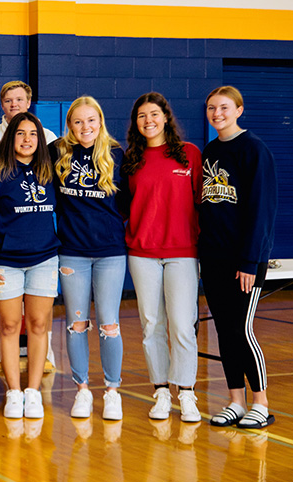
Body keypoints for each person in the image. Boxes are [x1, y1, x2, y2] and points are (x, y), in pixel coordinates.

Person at [122, 92, 203, 423]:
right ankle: (160, 393)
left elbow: (203, 202)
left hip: (183, 253)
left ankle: (186, 393)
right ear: (136, 123)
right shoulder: (131, 160)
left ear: (166, 117)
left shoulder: (189, 155)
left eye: (154, 114)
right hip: (142, 253)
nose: (148, 121)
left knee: (183, 326)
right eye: (141, 116)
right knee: (151, 325)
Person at [200, 86, 278, 428]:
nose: (217, 113)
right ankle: (235, 400)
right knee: (223, 331)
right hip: (213, 258)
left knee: (242, 329)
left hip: (244, 261)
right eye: (212, 108)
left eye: (224, 108)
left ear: (239, 110)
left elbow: (262, 211)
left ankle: (260, 402)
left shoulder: (255, 150)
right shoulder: (211, 150)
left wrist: (249, 261)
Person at [0, 112, 59, 419]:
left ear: (40, 139)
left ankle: (33, 392)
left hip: (45, 260)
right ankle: (13, 392)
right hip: (5, 262)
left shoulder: (51, 173)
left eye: (33, 134)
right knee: (9, 326)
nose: (26, 139)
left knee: (38, 325)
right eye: (20, 133)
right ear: (10, 138)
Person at [51, 97, 127, 421]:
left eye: (91, 120)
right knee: (76, 324)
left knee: (109, 324)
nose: (86, 127)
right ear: (70, 125)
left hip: (110, 252)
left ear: (100, 121)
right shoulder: (57, 152)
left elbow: (125, 204)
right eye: (78, 121)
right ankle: (82, 390)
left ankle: (112, 392)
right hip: (72, 252)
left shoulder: (116, 154)